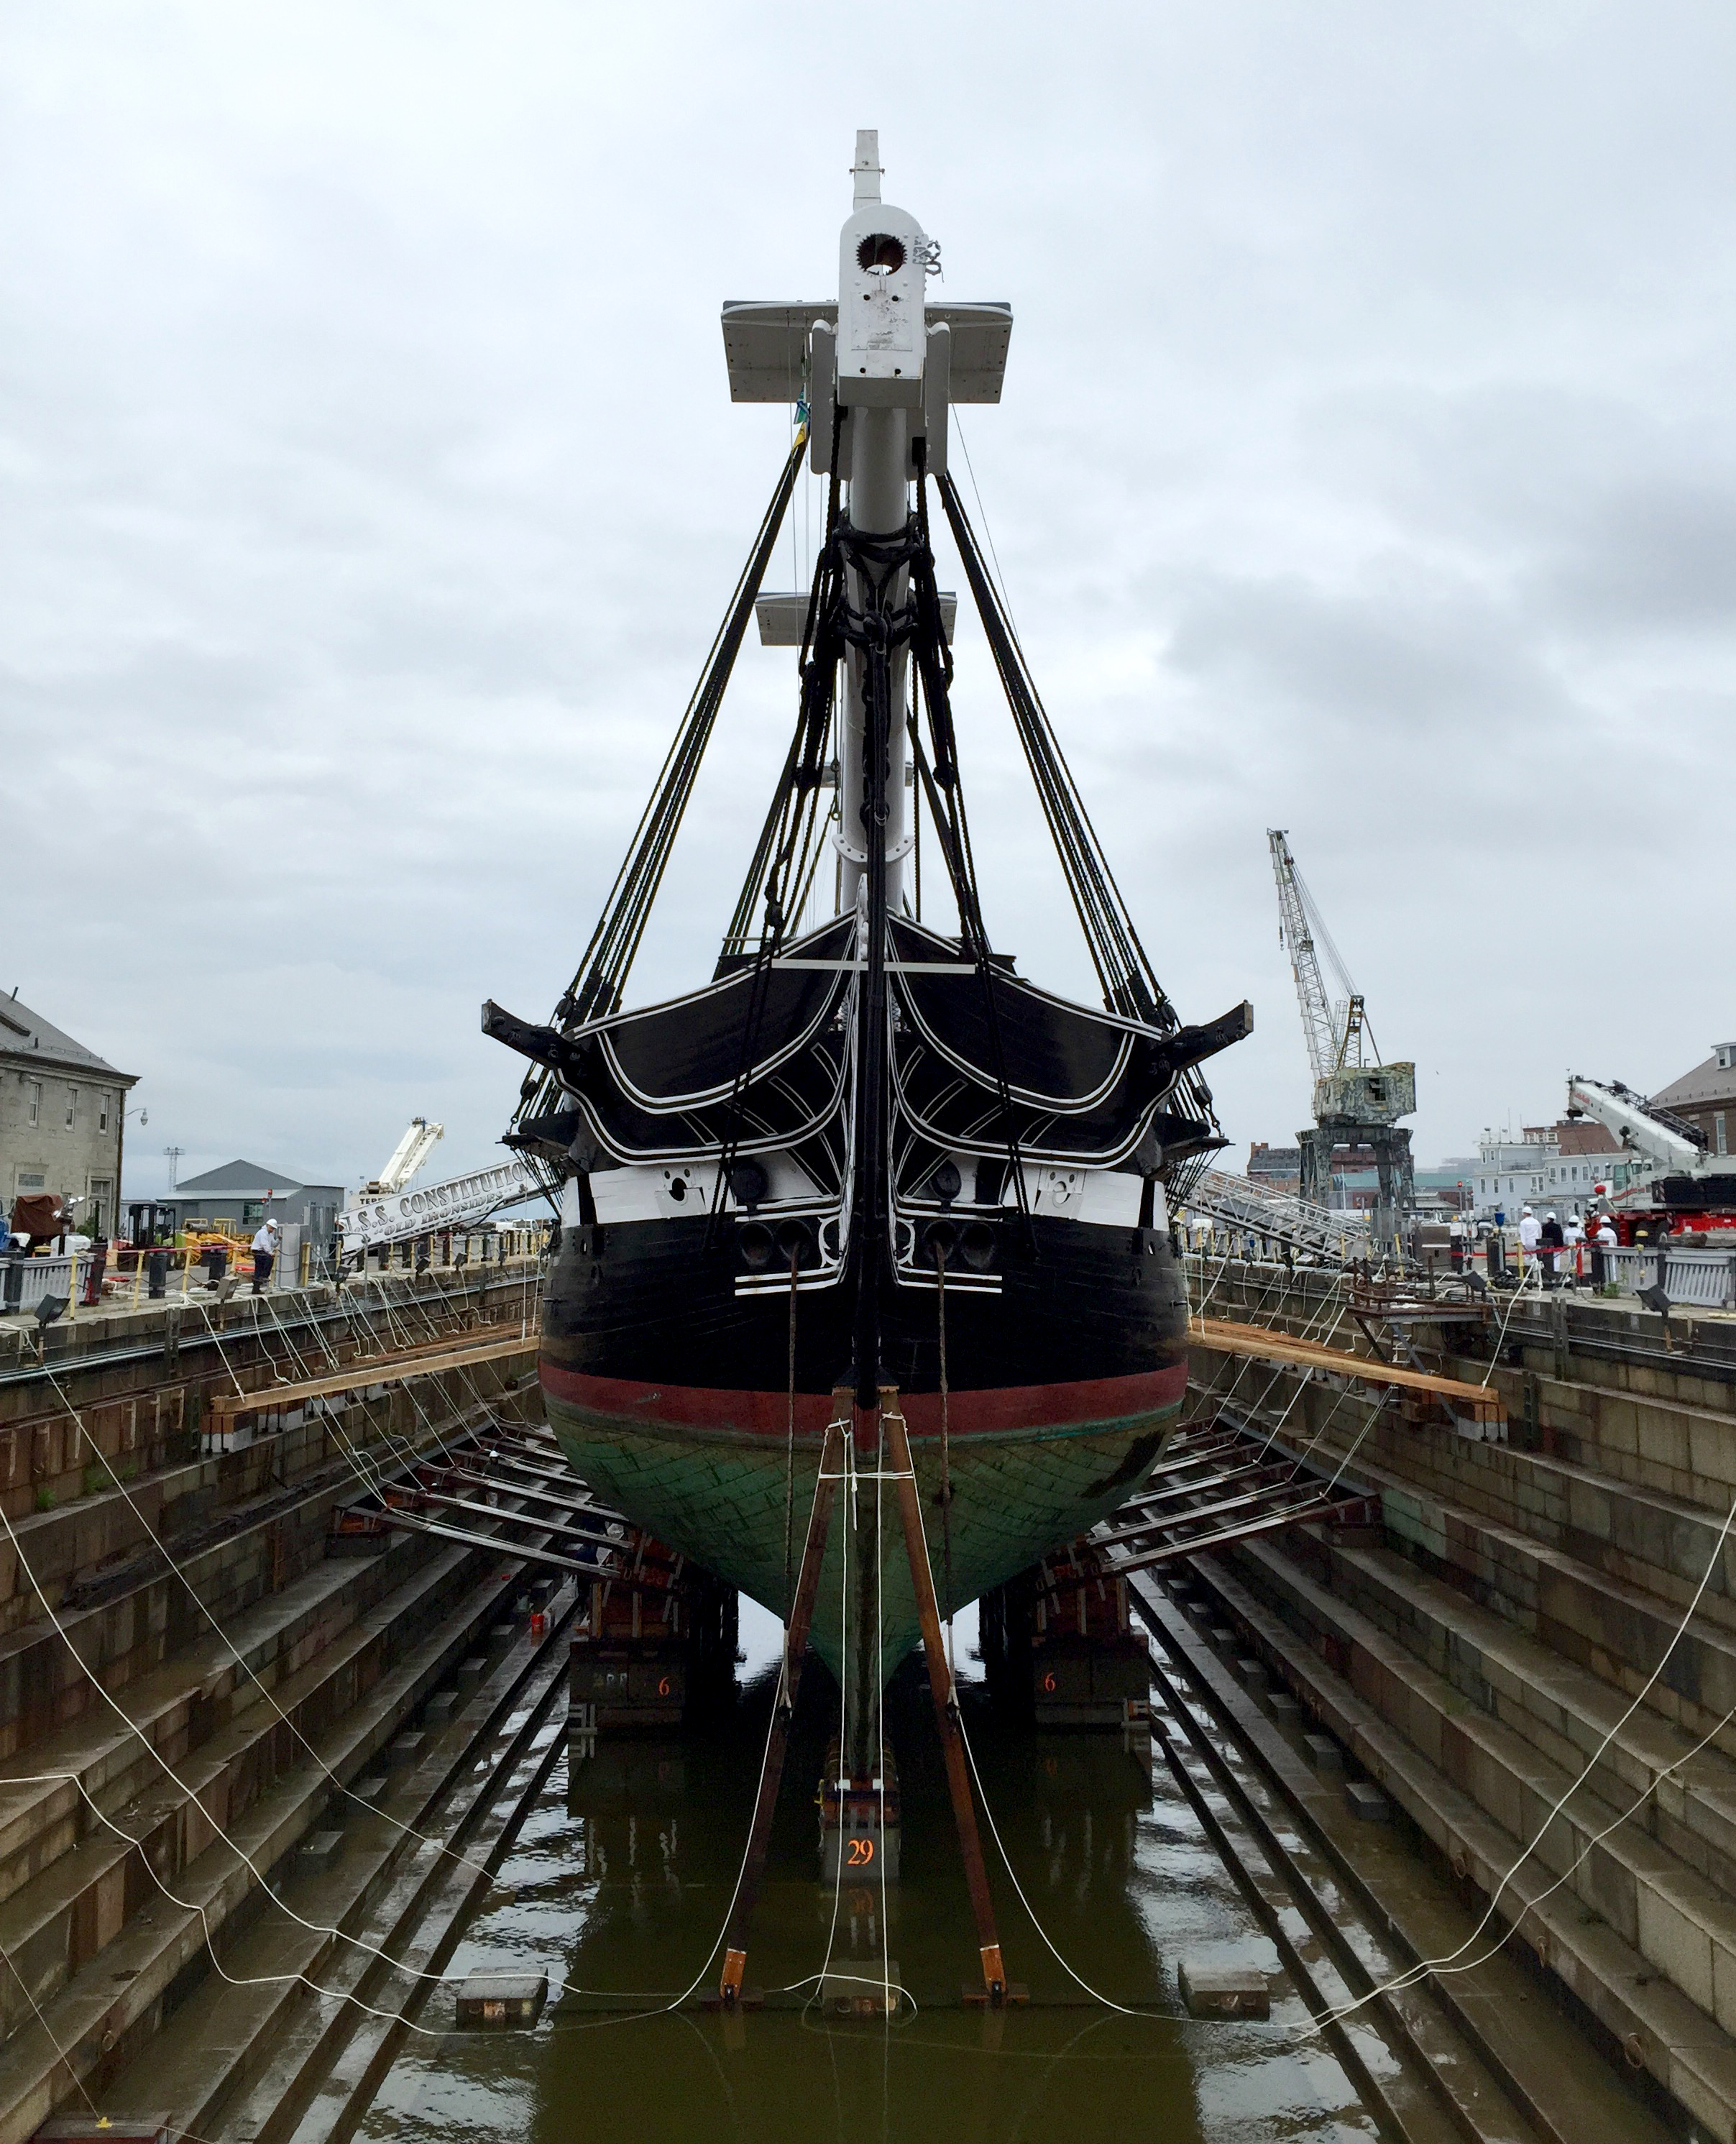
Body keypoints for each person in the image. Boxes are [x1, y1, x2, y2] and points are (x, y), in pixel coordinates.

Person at [250, 1217, 281, 1293]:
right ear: (267, 1226)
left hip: (262, 1252)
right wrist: (270, 1253)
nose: (272, 1230)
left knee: (258, 1270)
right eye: (271, 1228)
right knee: (269, 1259)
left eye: (273, 1229)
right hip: (258, 1252)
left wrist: (279, 1240)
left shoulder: (269, 1234)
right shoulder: (262, 1233)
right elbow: (264, 1245)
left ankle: (256, 1289)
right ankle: (264, 1276)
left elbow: (273, 1244)